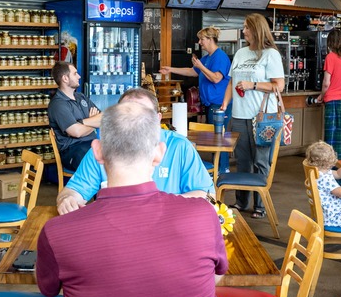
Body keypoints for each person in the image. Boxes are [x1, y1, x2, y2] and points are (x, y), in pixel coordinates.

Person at [28, 101, 228, 297]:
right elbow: (214, 278)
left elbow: (47, 287)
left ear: (97, 151)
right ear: (159, 154)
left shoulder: (58, 232)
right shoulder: (204, 215)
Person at [56, 88, 213, 214]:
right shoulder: (104, 149)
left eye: (143, 115)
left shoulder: (179, 147)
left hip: (170, 228)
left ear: (158, 119)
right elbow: (73, 191)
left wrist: (155, 204)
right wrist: (67, 200)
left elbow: (207, 195)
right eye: (127, 114)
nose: (135, 121)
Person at [220, 13, 285, 218]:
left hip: (263, 117)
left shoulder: (270, 54)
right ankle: (241, 201)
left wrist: (253, 85)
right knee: (242, 161)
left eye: (247, 27)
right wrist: (224, 105)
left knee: (261, 161)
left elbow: (279, 86)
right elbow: (231, 82)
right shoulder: (240, 53)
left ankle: (260, 205)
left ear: (256, 29)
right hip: (239, 116)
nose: (244, 30)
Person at [160, 26, 232, 171]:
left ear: (211, 39)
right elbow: (193, 72)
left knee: (219, 139)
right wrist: (171, 69)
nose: (199, 42)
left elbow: (216, 78)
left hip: (219, 105)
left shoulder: (220, 57)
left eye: (202, 39)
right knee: (214, 139)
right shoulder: (207, 58)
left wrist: (201, 66)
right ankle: (218, 169)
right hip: (210, 104)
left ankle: (223, 170)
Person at [48, 61, 101, 171]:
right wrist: (93, 121)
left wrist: (82, 123)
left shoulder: (81, 97)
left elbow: (104, 118)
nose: (79, 76)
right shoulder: (58, 104)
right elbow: (76, 132)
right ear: (65, 79)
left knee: (119, 156)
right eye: (75, 73)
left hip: (92, 144)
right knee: (100, 164)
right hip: (73, 150)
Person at [316, 30, 341, 159]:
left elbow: (326, 82)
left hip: (333, 101)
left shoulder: (330, 57)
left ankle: (330, 169)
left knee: (331, 138)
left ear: (329, 42)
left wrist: (321, 95)